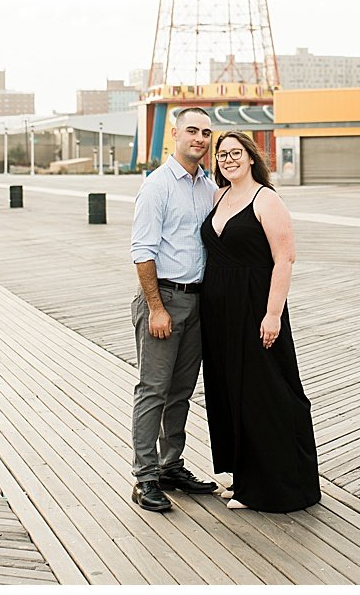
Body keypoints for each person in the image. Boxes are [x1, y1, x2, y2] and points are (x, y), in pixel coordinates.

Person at [199, 130, 320, 513]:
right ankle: (244, 477)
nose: (228, 160)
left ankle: (277, 485)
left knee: (266, 392)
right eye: (222, 155)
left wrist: (272, 314)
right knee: (228, 391)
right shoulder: (218, 196)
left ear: (251, 157)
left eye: (236, 153)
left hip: (255, 305)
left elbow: (285, 258)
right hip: (218, 309)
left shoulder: (265, 199)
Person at [128, 106, 221, 512]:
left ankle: (171, 466)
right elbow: (142, 253)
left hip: (198, 302)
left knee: (181, 392)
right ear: (175, 135)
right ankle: (145, 477)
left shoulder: (207, 186)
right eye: (192, 131)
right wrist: (156, 308)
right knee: (153, 391)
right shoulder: (157, 186)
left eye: (206, 132)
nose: (199, 138)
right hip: (163, 299)